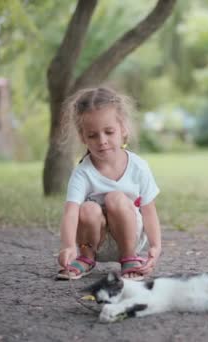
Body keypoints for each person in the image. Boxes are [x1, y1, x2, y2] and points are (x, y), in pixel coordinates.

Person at [56, 87, 161, 281]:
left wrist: (155, 247)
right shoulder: (83, 172)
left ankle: (129, 258)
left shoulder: (138, 167)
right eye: (92, 135)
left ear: (123, 129)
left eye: (109, 132)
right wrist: (69, 245)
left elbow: (148, 210)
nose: (102, 141)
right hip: (94, 242)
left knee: (116, 198)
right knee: (87, 208)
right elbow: (71, 212)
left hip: (130, 238)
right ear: (82, 137)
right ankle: (85, 258)